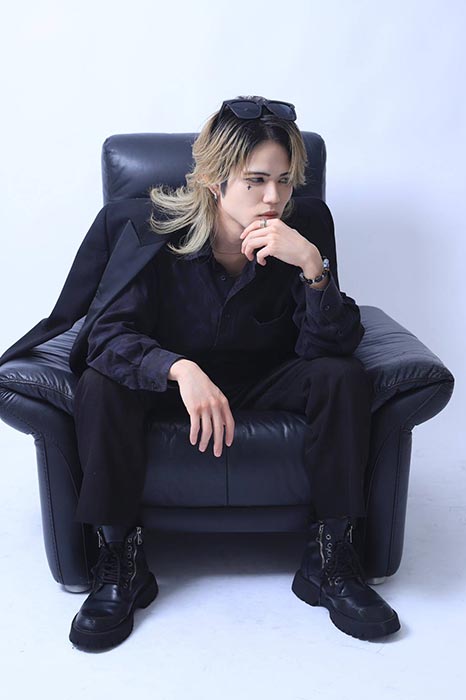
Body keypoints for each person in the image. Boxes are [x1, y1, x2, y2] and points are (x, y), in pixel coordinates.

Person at [69, 95, 401, 651]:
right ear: (214, 180)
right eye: (256, 181)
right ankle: (120, 557)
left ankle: (330, 559)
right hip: (175, 386)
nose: (275, 198)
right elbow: (106, 333)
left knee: (341, 375)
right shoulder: (151, 229)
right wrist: (178, 368)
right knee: (101, 384)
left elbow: (328, 343)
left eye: (285, 181)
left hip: (266, 375)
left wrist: (313, 268)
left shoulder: (304, 227)